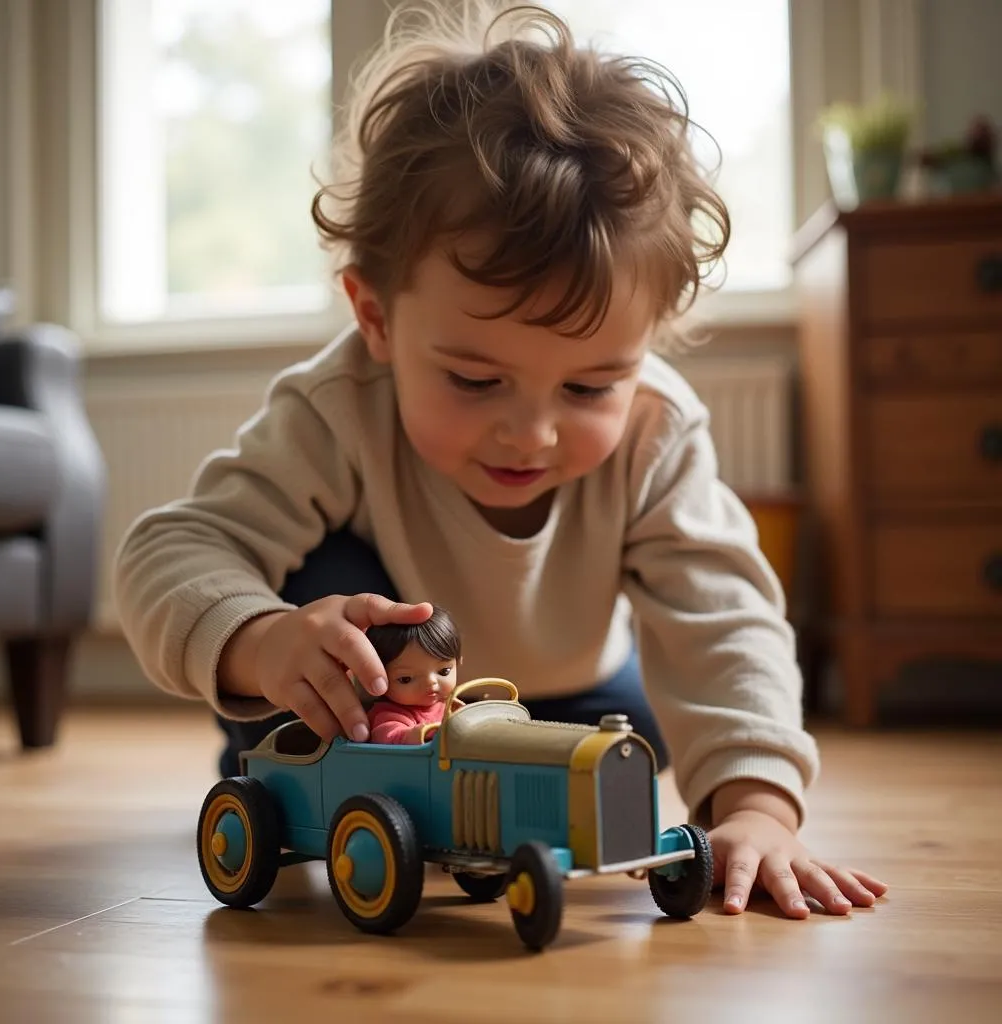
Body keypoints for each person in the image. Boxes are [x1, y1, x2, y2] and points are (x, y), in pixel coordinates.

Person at [113, 1, 887, 919]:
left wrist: (759, 808)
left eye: (591, 387)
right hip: (365, 708)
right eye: (477, 380)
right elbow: (172, 549)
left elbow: (724, 619)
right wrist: (259, 641)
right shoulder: (337, 407)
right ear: (377, 317)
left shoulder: (657, 433)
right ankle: (288, 776)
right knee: (318, 591)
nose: (532, 434)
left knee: (634, 732)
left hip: (575, 701)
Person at [365, 604, 461, 744]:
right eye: (406, 679)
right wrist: (413, 735)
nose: (431, 682)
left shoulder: (450, 705)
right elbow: (387, 735)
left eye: (443, 671)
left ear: (458, 663)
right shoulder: (388, 714)